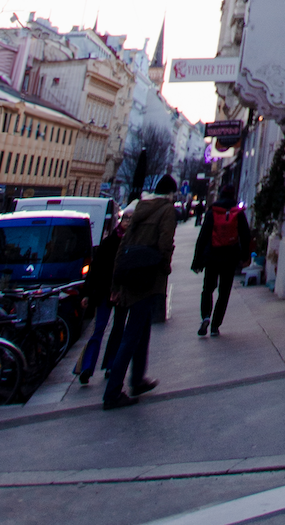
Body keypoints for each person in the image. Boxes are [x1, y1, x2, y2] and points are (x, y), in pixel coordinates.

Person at [103, 175, 178, 410]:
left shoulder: (139, 208)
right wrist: (165, 268)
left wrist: (116, 283)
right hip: (147, 276)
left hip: (128, 274)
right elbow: (166, 243)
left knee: (141, 329)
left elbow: (123, 245)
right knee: (132, 334)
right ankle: (113, 392)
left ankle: (137, 379)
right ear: (171, 194)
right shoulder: (167, 211)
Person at [192, 185, 252, 336]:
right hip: (229, 258)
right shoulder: (237, 213)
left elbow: (203, 237)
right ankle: (215, 325)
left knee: (208, 288)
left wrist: (197, 260)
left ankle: (205, 316)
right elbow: (245, 236)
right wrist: (246, 256)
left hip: (212, 256)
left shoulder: (212, 212)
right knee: (224, 292)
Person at [76, 219, 122, 385]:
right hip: (105, 291)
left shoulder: (131, 240)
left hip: (121, 291)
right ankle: (87, 367)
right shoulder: (109, 242)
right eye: (126, 219)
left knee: (117, 329)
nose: (128, 222)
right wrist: (87, 293)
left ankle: (110, 365)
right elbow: (95, 269)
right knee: (99, 329)